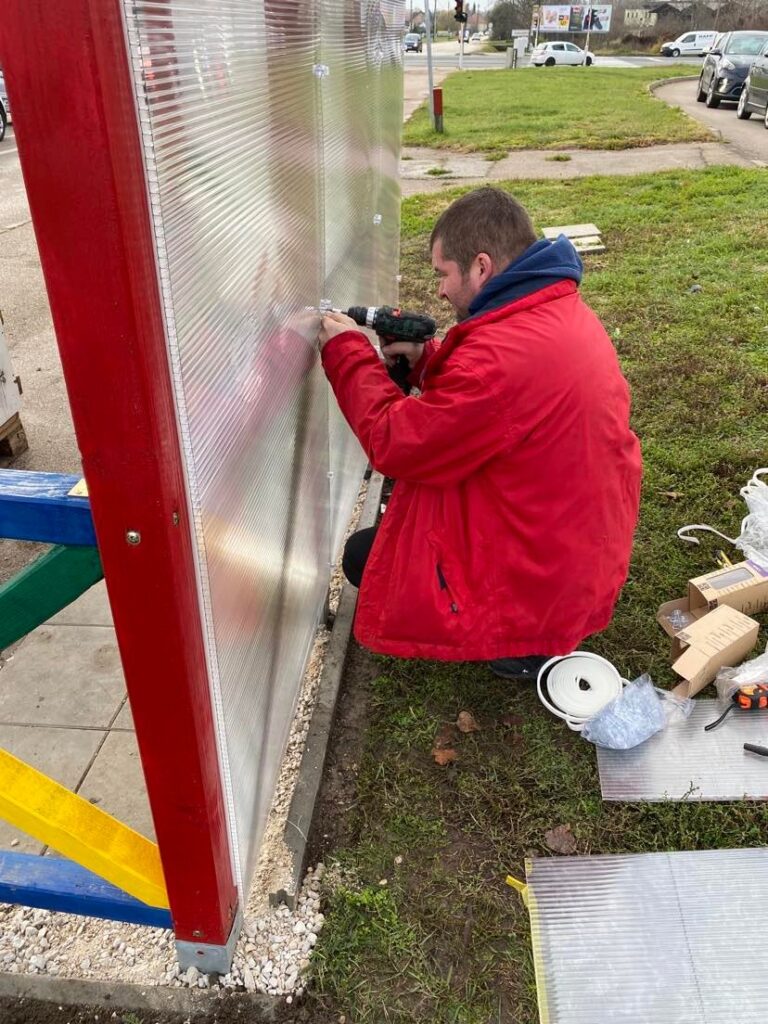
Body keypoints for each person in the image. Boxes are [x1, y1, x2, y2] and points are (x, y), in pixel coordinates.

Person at [318, 187, 641, 679]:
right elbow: (491, 404)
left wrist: (347, 351)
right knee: (380, 546)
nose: (440, 291)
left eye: (443, 273)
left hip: (546, 581)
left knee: (366, 558)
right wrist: (424, 361)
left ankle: (526, 647)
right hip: (574, 550)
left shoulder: (499, 360)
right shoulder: (550, 309)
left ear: (482, 267)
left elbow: (396, 442)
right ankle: (535, 623)